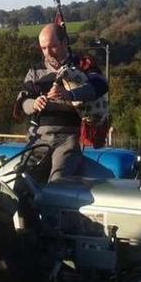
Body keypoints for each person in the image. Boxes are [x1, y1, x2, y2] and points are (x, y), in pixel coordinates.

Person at [18, 23, 108, 182]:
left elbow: (100, 85)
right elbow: (22, 101)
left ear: (64, 43)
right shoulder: (35, 71)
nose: (48, 53)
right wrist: (34, 103)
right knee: (22, 179)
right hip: (39, 137)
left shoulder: (83, 65)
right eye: (43, 48)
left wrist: (70, 94)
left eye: (52, 47)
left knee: (58, 181)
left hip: (68, 137)